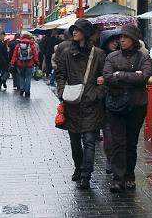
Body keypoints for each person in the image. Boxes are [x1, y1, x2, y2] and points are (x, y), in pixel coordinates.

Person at [103, 25, 152, 192]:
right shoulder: (112, 57)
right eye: (121, 37)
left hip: (136, 104)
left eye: (126, 37)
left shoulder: (143, 58)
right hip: (115, 104)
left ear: (134, 40)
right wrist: (132, 75)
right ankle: (118, 178)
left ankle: (129, 175)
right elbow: (107, 77)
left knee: (131, 142)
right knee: (119, 142)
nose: (122, 40)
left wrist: (120, 74)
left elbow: (145, 77)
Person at [55, 18, 107, 190]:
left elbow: (104, 77)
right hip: (73, 102)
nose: (74, 32)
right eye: (73, 30)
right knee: (75, 140)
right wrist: (62, 91)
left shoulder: (98, 54)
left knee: (90, 140)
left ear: (86, 33)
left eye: (77, 30)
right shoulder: (66, 53)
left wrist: (97, 93)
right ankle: (78, 167)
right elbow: (60, 74)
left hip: (92, 104)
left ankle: (86, 175)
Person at [98, 29, 121, 175]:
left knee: (118, 133)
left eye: (116, 40)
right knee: (107, 132)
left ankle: (117, 161)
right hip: (104, 98)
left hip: (119, 97)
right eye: (112, 40)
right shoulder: (100, 57)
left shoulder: (121, 56)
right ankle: (110, 159)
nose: (115, 43)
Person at [9, 32, 39, 97]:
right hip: (29, 64)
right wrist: (37, 62)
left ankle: (22, 89)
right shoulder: (31, 45)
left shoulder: (18, 45)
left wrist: (12, 63)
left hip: (20, 64)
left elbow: (14, 55)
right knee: (28, 77)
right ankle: (27, 92)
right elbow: (35, 55)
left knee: (21, 77)